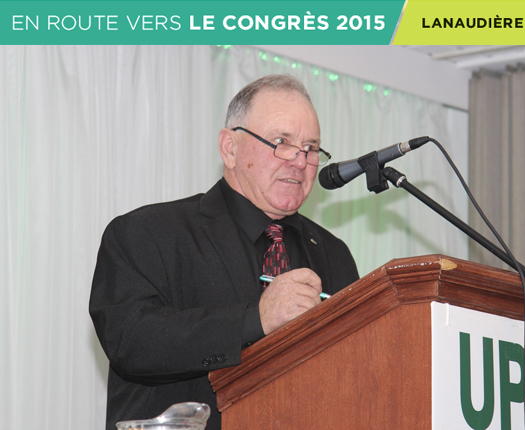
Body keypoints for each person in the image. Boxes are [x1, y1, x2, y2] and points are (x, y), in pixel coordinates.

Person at [89, 75, 359, 430]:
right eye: (281, 142)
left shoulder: (333, 254)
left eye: (311, 148)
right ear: (230, 148)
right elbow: (131, 341)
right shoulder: (149, 232)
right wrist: (255, 319)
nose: (300, 160)